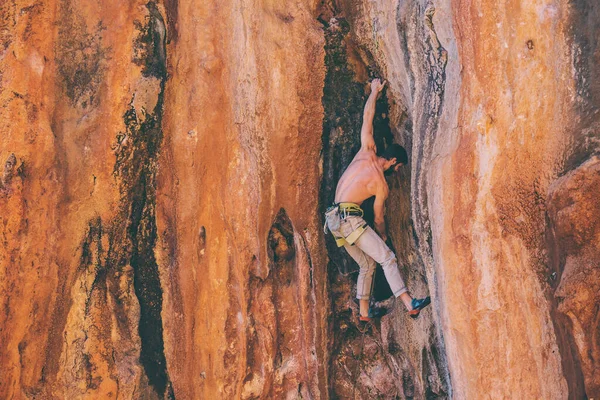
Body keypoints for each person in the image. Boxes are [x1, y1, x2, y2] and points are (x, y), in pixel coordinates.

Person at [325, 78, 430, 322]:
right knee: (386, 257)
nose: (397, 171)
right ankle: (409, 302)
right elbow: (379, 216)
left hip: (333, 220)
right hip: (349, 221)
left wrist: (374, 91)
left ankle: (363, 313)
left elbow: (367, 120)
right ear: (394, 161)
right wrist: (383, 235)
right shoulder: (381, 185)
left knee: (366, 264)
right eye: (399, 167)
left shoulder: (366, 150)